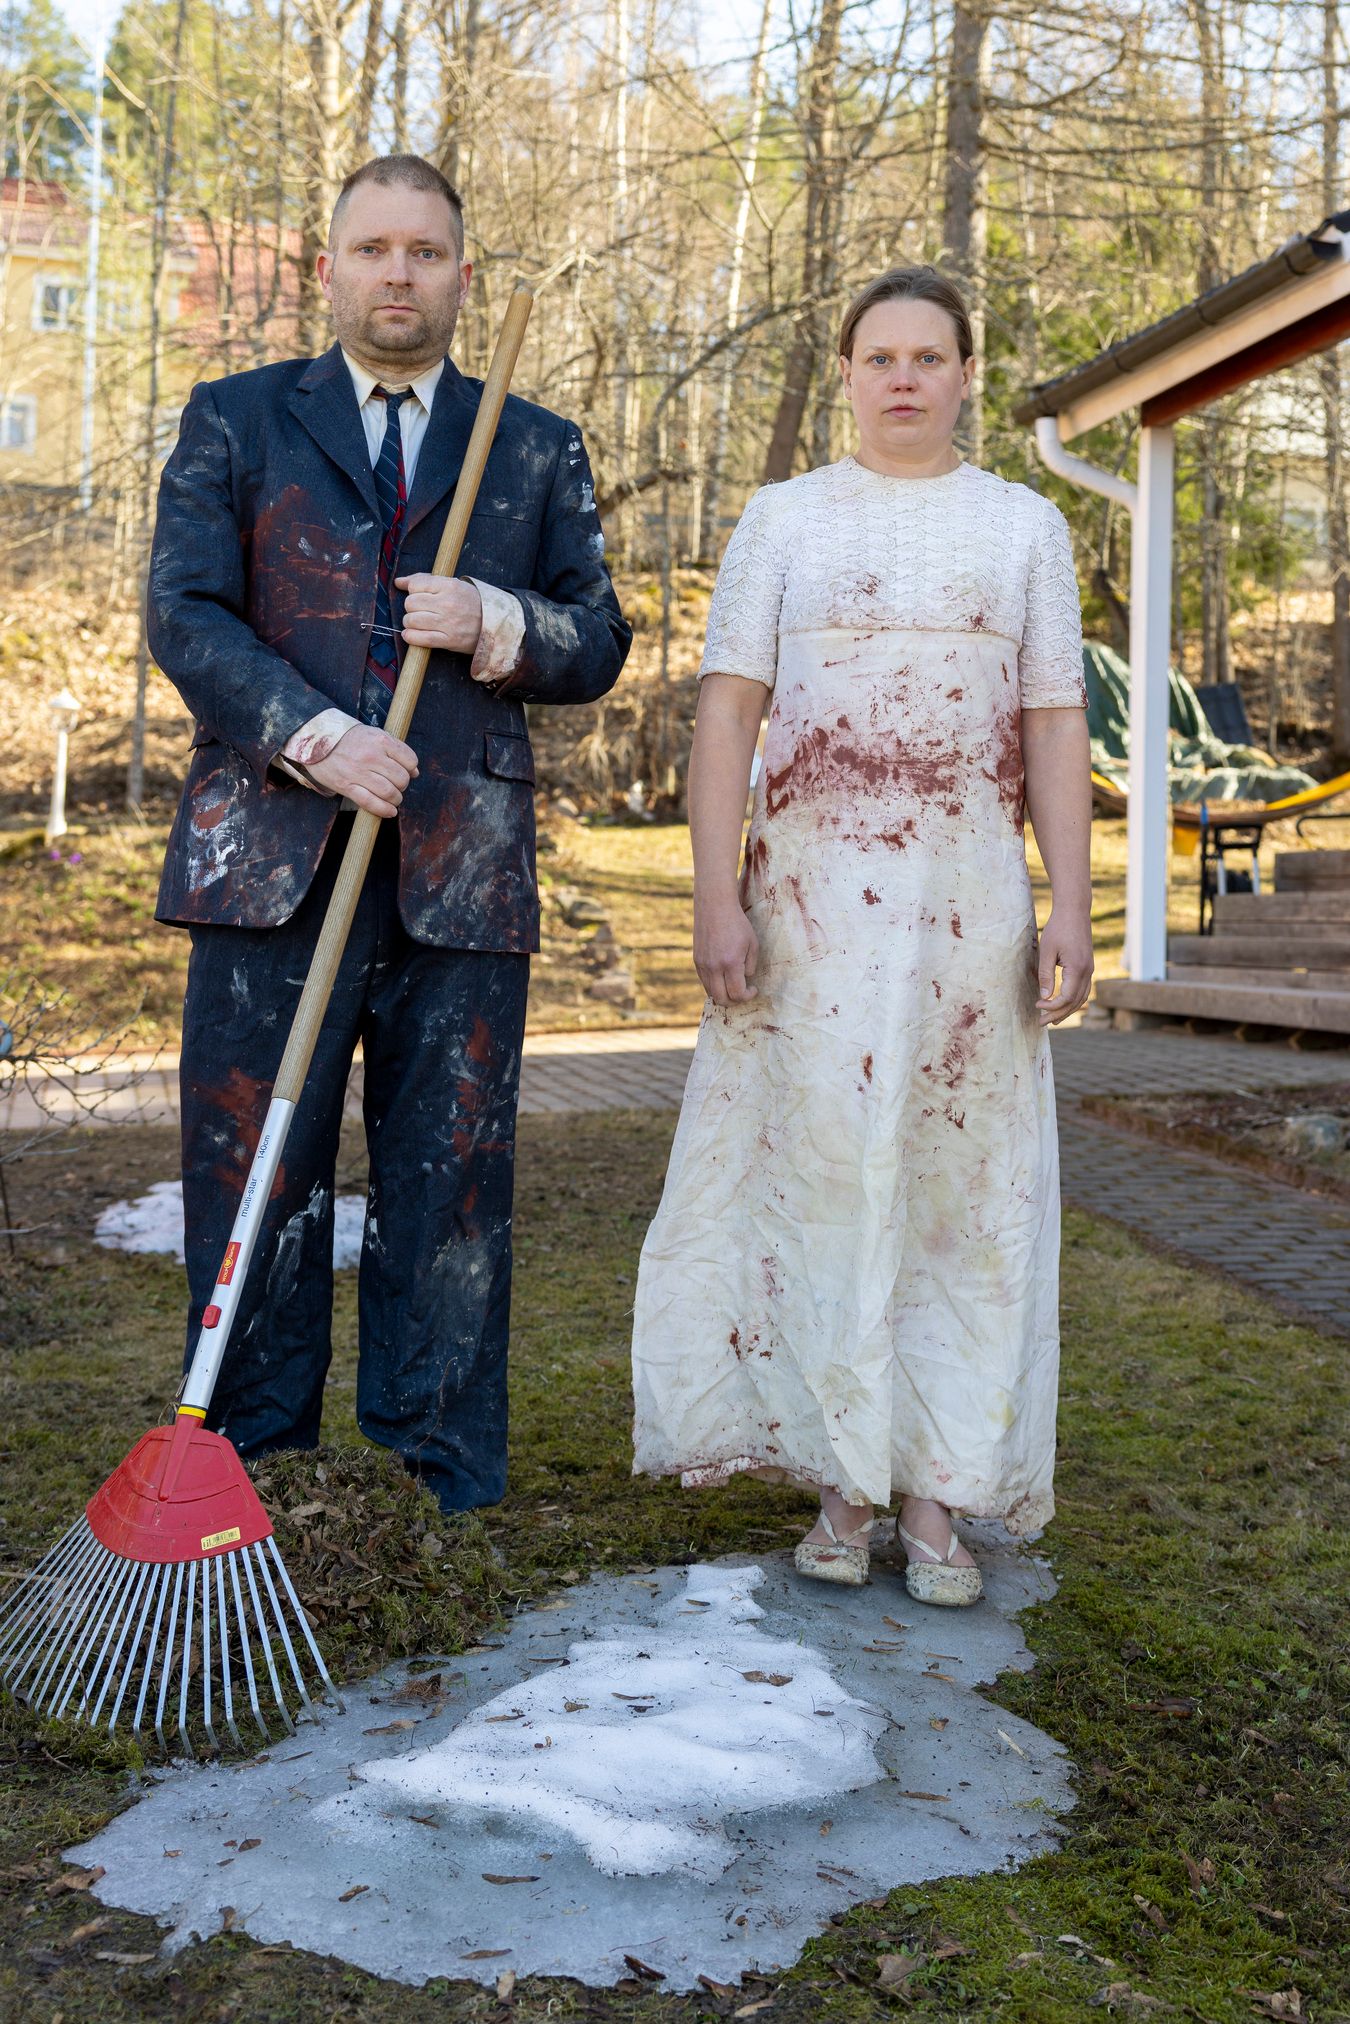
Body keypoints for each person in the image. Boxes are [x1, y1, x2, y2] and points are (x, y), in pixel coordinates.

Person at [149, 154, 631, 1513]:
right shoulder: (237, 419)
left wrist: (495, 620)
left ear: (461, 275)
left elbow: (598, 637)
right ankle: (246, 1479)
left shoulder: (529, 443)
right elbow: (185, 614)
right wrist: (315, 736)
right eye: (373, 249)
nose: (398, 274)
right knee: (255, 1177)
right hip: (268, 868)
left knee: (452, 1187)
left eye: (424, 251)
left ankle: (433, 1491)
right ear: (329, 269)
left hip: (460, 879)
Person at [631, 266, 1091, 1605]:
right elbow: (728, 715)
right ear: (845, 374)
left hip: (964, 919)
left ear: (964, 376)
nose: (903, 378)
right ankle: (839, 1481)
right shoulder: (783, 521)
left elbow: (1053, 724)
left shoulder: (1023, 529)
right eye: (879, 356)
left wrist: (1068, 900)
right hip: (809, 917)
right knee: (824, 1176)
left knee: (959, 1190)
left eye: (927, 357)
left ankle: (938, 1490)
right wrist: (715, 894)